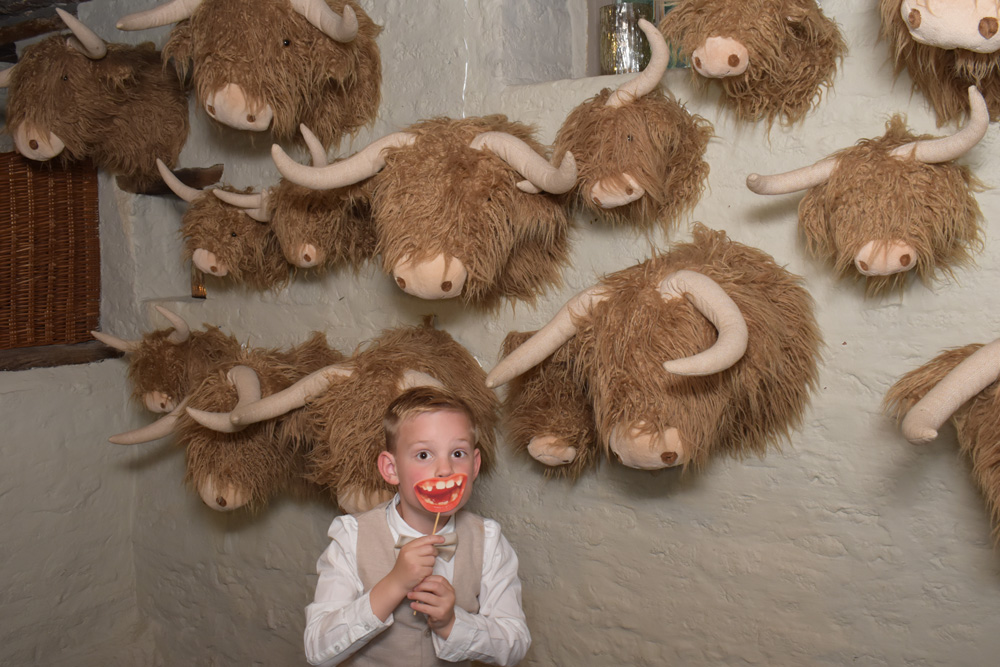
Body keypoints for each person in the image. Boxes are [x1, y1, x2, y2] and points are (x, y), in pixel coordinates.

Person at [304, 386, 530, 666]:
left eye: (457, 453)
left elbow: (515, 642)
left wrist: (452, 623)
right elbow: (317, 650)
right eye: (424, 455)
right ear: (391, 469)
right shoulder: (351, 536)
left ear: (474, 465)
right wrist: (394, 584)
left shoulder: (489, 540)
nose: (445, 469)